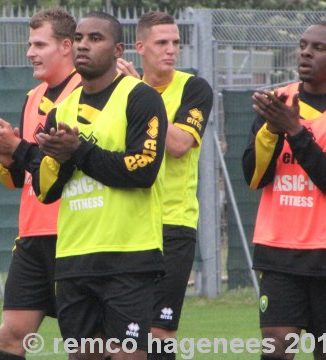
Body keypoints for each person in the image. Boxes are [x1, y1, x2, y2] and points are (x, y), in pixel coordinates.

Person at [31, 11, 168, 360]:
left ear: (119, 50)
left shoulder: (141, 97)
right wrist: (57, 160)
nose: (83, 45)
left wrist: (79, 151)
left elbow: (142, 169)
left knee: (128, 355)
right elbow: (45, 191)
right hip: (75, 256)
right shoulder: (60, 111)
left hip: (129, 256)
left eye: (95, 39)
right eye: (78, 38)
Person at [242, 22, 326, 360]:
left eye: (319, 48)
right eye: (303, 45)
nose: (306, 52)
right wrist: (272, 132)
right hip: (279, 251)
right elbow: (255, 177)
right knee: (275, 349)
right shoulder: (279, 102)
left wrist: (295, 131)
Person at [118, 11, 213, 360]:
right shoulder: (120, 92)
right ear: (139, 47)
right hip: (128, 223)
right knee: (123, 334)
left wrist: (141, 93)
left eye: (176, 42)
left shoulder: (193, 88)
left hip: (173, 223)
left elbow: (176, 145)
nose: (171, 49)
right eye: (162, 42)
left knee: (159, 333)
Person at [0, 8, 80, 360]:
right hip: (31, 237)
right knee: (11, 335)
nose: (30, 52)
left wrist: (19, 148)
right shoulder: (32, 97)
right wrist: (6, 155)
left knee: (84, 343)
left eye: (39, 44)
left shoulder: (84, 93)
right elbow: (23, 175)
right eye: (30, 44)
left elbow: (67, 166)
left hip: (74, 234)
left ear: (66, 46)